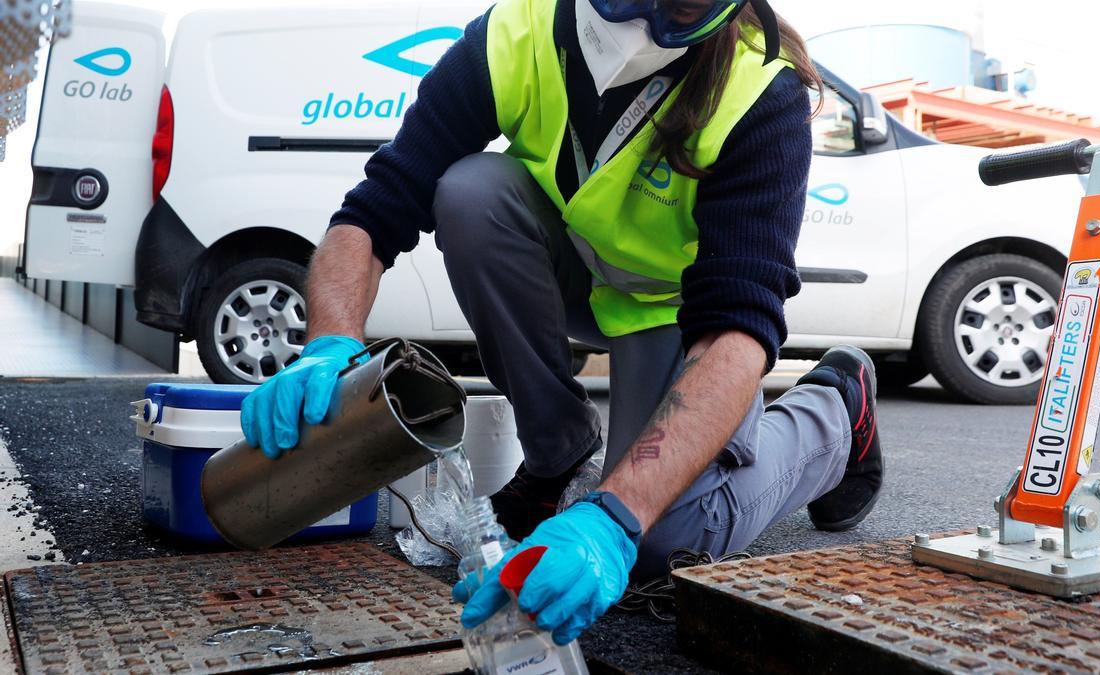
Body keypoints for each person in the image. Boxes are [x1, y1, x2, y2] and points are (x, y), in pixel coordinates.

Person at [239, 0, 884, 646]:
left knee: (661, 540)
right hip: (576, 268)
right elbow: (374, 211)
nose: (645, 23)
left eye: (683, 6)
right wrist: (328, 342)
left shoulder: (759, 93)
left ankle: (835, 412)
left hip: (678, 314)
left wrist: (616, 515)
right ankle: (557, 457)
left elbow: (736, 337)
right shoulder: (518, 32)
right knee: (469, 194)